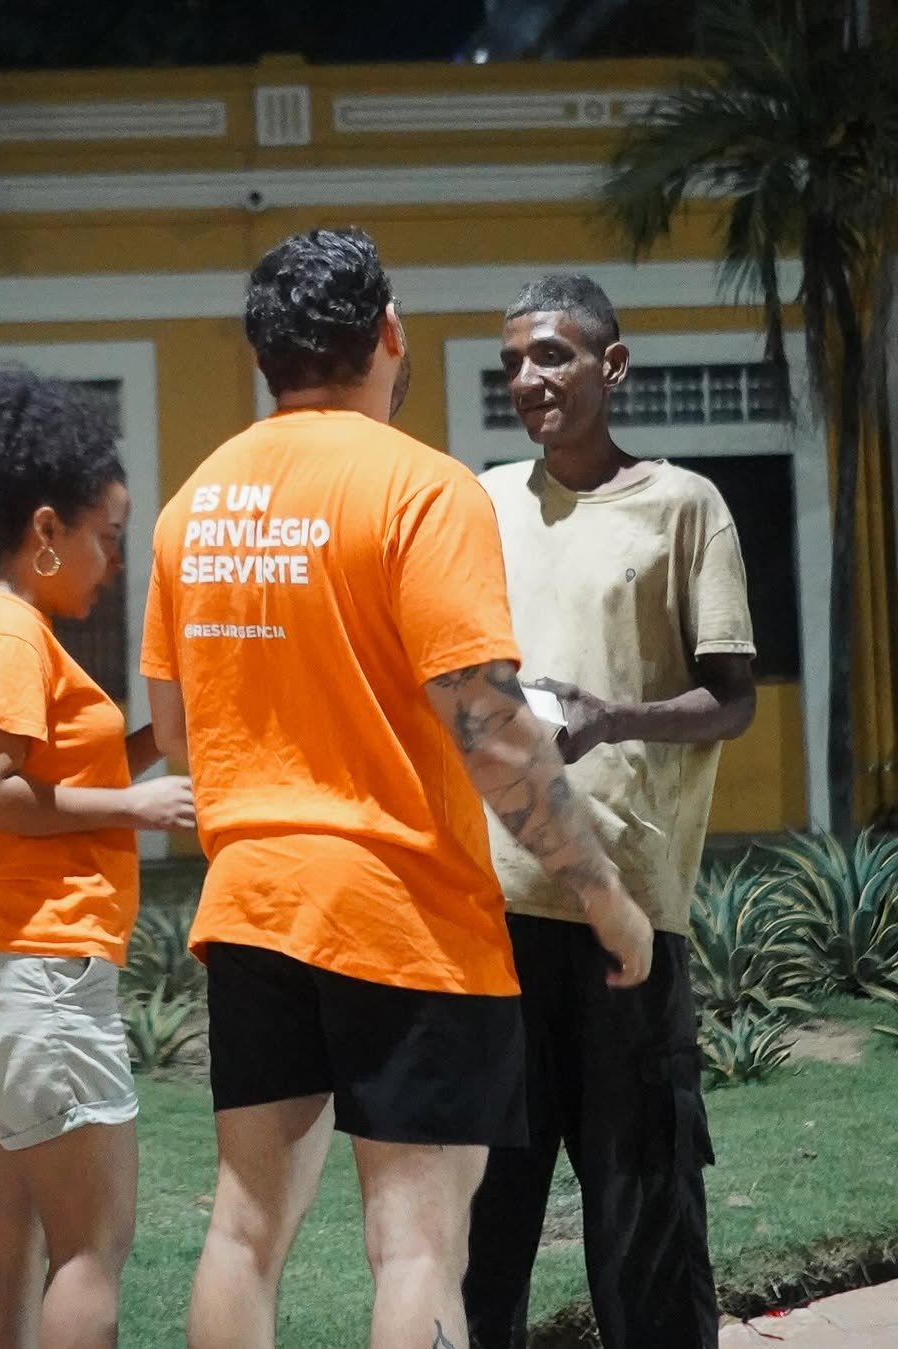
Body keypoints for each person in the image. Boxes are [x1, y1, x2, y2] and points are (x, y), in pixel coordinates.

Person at [140, 229, 653, 1349]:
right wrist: (605, 895)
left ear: (264, 354)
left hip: (254, 907)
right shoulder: (423, 488)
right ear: (387, 332)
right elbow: (490, 728)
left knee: (243, 1229)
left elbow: (174, 729)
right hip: (403, 912)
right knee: (418, 1245)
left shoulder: (195, 504)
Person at [462, 274, 757, 1349]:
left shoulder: (684, 506)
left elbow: (733, 698)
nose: (528, 378)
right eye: (513, 362)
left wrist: (612, 718)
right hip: (491, 912)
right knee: (480, 1228)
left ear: (612, 365)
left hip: (626, 916)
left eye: (552, 354)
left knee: (645, 1218)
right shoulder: (483, 503)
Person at [0, 368, 197, 1349]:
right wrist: (136, 805)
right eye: (107, 535)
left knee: (13, 1241)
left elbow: (47, 776)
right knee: (89, 1251)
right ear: (46, 529)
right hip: (34, 964)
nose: (114, 561)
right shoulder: (7, 634)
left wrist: (154, 745)